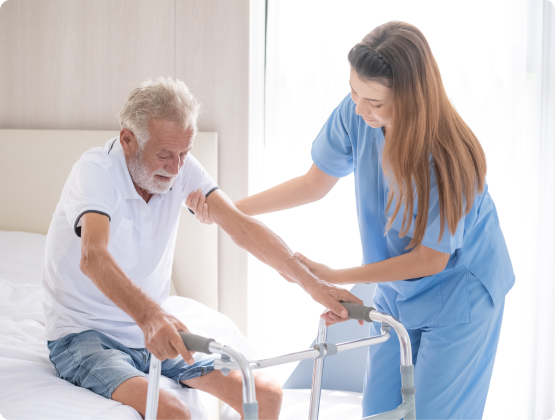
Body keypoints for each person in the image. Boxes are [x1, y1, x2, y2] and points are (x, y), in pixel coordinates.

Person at [188, 21, 515, 419]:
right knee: (378, 408)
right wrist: (229, 212)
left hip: (461, 294)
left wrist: (334, 276)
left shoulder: (449, 157)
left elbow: (432, 258)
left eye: (374, 102)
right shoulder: (357, 114)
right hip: (397, 293)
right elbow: (313, 183)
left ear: (412, 99)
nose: (359, 108)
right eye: (353, 91)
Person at [43, 77, 362, 419]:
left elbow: (241, 226)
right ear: (127, 140)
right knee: (172, 411)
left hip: (151, 333)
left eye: (185, 153)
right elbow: (93, 256)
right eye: (164, 154)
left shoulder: (180, 167)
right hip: (85, 336)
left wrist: (312, 283)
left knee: (266, 394)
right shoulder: (96, 173)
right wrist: (152, 316)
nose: (176, 168)